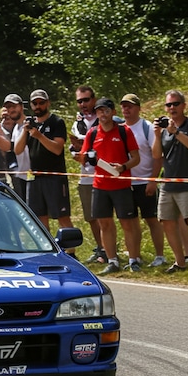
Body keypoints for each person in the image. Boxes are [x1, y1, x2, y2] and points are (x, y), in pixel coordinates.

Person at [78, 98, 141, 275]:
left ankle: (133, 260)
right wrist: (81, 157)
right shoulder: (92, 133)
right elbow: (84, 156)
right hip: (99, 185)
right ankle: (112, 260)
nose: (102, 115)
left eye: (105, 111)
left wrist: (122, 167)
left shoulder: (123, 131)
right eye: (99, 111)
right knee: (104, 224)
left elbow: (136, 158)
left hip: (121, 184)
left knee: (127, 224)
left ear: (113, 112)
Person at [152, 89, 188, 272]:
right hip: (168, 183)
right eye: (169, 104)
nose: (172, 107)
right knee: (166, 222)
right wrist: (157, 134)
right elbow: (156, 154)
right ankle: (179, 261)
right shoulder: (164, 128)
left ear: (183, 105)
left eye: (176, 104)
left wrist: (176, 132)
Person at [15, 89, 74, 239]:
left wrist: (39, 136)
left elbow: (57, 149)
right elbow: (18, 149)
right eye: (35, 103)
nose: (38, 106)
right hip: (35, 178)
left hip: (54, 176)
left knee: (62, 217)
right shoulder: (29, 124)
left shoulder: (56, 122)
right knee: (40, 218)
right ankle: (48, 248)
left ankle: (71, 252)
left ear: (47, 103)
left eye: (41, 103)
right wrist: (25, 130)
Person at [120, 93, 167, 268]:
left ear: (138, 108)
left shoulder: (146, 127)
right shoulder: (120, 129)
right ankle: (136, 256)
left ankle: (160, 255)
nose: (126, 109)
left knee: (152, 219)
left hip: (145, 180)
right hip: (127, 182)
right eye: (124, 106)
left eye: (130, 106)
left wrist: (153, 180)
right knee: (131, 221)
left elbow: (157, 156)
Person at [69, 86, 105, 264]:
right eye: (79, 101)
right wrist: (78, 153)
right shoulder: (78, 123)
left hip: (104, 174)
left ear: (94, 99)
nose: (83, 104)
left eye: (86, 100)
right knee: (91, 217)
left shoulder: (104, 119)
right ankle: (100, 248)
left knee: (104, 216)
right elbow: (73, 150)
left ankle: (109, 251)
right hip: (86, 175)